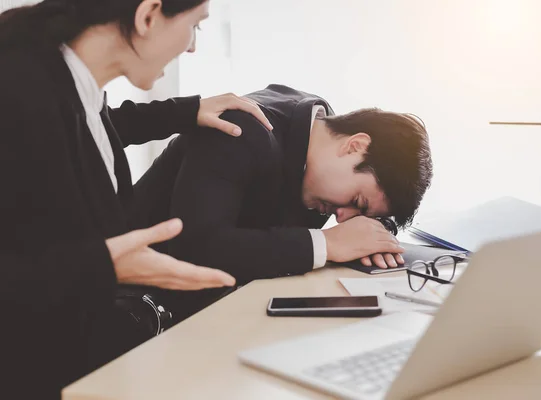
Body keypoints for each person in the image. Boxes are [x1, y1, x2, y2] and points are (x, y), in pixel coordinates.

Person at [0, 0, 273, 398]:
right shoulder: (18, 90)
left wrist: (188, 110)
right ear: (148, 15)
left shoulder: (68, 80)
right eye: (195, 26)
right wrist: (105, 266)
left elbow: (88, 135)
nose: (193, 46)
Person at [131, 84, 433, 321]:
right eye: (357, 201)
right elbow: (196, 249)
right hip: (131, 307)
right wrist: (326, 245)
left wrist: (373, 238)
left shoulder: (317, 131)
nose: (343, 219)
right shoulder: (240, 130)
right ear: (355, 146)